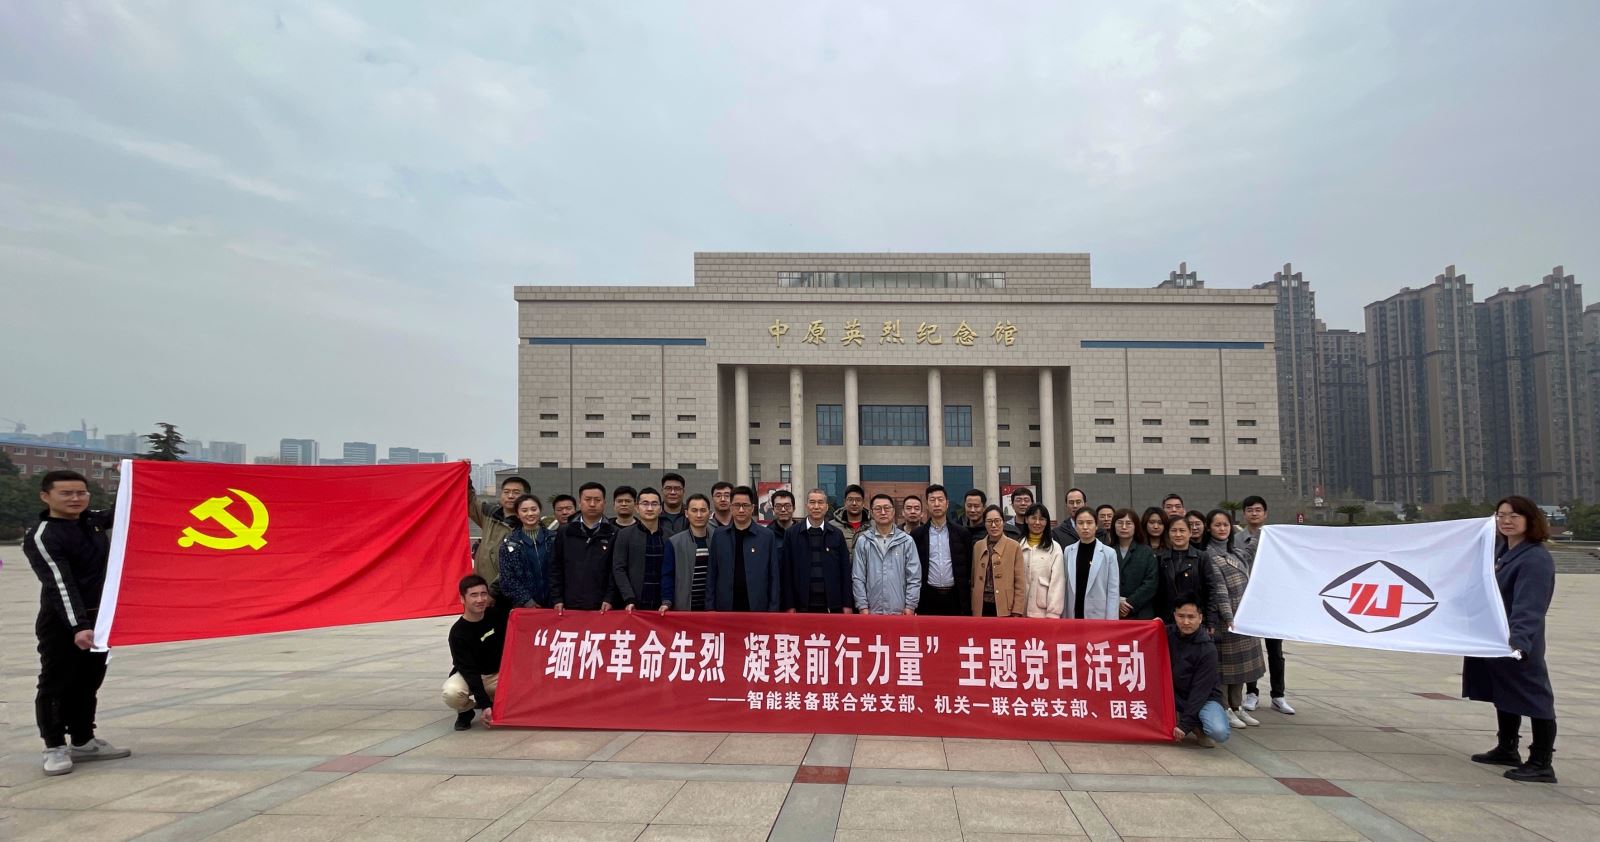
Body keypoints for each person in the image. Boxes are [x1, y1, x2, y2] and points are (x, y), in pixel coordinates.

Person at [24, 470, 131, 776]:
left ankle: (83, 740)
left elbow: (129, 508)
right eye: (66, 493)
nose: (75, 499)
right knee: (56, 683)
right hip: (63, 622)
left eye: (81, 493)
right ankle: (54, 746)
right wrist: (78, 626)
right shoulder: (43, 535)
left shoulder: (92, 521)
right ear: (46, 497)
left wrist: (132, 478)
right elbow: (61, 585)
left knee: (88, 681)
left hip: (100, 618)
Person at [1464, 495, 1559, 783]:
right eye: (1501, 515)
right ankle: (1507, 748)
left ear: (1530, 520)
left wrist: (1519, 642)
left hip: (1518, 640)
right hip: (1494, 637)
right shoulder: (1501, 552)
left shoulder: (1535, 558)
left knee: (1535, 697)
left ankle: (1541, 761)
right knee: (1504, 691)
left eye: (1514, 516)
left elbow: (1529, 606)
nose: (1506, 521)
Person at [1200, 510, 1261, 728]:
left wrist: (1264, 532)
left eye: (1225, 525)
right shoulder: (1209, 554)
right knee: (1225, 670)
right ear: (1209, 528)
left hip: (1243, 617)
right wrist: (1228, 617)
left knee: (1241, 669)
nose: (1222, 529)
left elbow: (1252, 551)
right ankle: (1225, 708)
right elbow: (1219, 590)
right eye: (1217, 525)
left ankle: (1237, 706)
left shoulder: (1236, 552)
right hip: (1226, 621)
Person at [1237, 495, 1292, 715]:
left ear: (1265, 513)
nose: (1254, 513)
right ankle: (1252, 693)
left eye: (1258, 510)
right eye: (1250, 510)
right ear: (1244, 514)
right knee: (1250, 650)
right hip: (1247, 601)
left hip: (1271, 601)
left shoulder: (1276, 537)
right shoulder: (1236, 539)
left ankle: (1278, 695)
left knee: (1275, 651)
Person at [444, 575, 510, 731]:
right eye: (473, 595)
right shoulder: (457, 633)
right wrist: (484, 705)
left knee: (521, 689)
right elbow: (469, 671)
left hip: (497, 674)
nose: (480, 599)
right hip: (472, 675)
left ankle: (494, 701)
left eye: (483, 594)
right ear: (462, 599)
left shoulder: (497, 616)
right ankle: (466, 711)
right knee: (452, 693)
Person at [706, 486, 781, 611]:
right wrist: (710, 607)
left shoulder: (767, 536)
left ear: (752, 508)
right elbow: (712, 574)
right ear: (731, 507)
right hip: (725, 607)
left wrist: (773, 609)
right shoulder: (719, 535)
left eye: (745, 505)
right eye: (737, 505)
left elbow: (774, 576)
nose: (741, 510)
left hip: (757, 607)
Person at [1168, 599, 1231, 748]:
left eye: (1191, 617)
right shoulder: (1168, 633)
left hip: (1205, 698)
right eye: (1181, 616)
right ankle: (1191, 722)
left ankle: (1194, 724)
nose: (1186, 622)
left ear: (1200, 618)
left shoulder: (1207, 649)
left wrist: (1184, 725)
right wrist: (1153, 625)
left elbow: (1200, 691)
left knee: (1219, 732)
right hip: (1175, 696)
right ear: (1174, 615)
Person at [549, 482, 618, 613]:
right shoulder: (565, 531)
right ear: (580, 503)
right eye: (587, 499)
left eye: (597, 500)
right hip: (569, 603)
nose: (592, 504)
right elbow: (555, 567)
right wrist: (557, 598)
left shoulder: (614, 533)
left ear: (604, 503)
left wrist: (610, 598)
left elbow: (615, 570)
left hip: (603, 605)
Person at [781, 489, 853, 613]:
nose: (816, 507)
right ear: (806, 506)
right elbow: (786, 572)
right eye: (812, 502)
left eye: (820, 502)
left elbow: (845, 571)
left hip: (832, 605)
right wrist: (789, 605)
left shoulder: (836, 534)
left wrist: (847, 604)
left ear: (826, 507)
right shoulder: (792, 534)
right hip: (801, 606)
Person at [852, 493, 920, 615]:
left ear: (893, 512)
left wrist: (910, 606)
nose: (883, 512)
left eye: (887, 508)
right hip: (871, 611)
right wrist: (862, 606)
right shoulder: (864, 541)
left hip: (900, 612)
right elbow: (858, 577)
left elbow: (914, 577)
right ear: (872, 513)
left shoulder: (906, 541)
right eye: (878, 509)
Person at [911, 484, 972, 616]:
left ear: (947, 504)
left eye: (940, 500)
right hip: (928, 596)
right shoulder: (917, 535)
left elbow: (969, 565)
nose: (937, 504)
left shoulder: (962, 533)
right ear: (927, 505)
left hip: (955, 597)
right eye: (932, 500)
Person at [1155, 515, 1225, 628]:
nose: (1178, 534)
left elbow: (1211, 590)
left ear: (1190, 532)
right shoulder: (1161, 559)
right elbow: (1158, 594)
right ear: (1168, 533)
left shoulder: (1202, 557)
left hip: (1196, 619)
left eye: (1182, 530)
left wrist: (1211, 621)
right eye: (1174, 530)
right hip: (1169, 620)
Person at [612, 488, 670, 613]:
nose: (649, 508)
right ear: (637, 508)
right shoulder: (624, 535)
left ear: (660, 509)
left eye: (654, 504)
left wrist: (668, 600)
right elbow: (619, 568)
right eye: (645, 504)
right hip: (633, 603)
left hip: (663, 605)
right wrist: (629, 598)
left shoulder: (670, 536)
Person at [468, 474, 527, 589]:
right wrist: (466, 477)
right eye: (506, 492)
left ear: (526, 497)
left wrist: (494, 592)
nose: (510, 496)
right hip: (480, 588)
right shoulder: (489, 513)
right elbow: (469, 501)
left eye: (516, 492)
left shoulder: (527, 527)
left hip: (506, 592)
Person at [1064, 507, 1121, 620]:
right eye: (1080, 523)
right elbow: (1066, 587)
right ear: (1075, 526)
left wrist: (1112, 620)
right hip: (1073, 613)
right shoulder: (1068, 551)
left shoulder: (1109, 553)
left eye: (1089, 523)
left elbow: (1113, 590)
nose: (1085, 527)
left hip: (1098, 614)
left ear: (1096, 526)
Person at [499, 494, 555, 608]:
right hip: (524, 606)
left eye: (533, 509)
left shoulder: (554, 538)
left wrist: (558, 598)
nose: (530, 514)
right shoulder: (509, 544)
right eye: (524, 510)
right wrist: (527, 601)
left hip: (555, 604)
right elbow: (507, 578)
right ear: (518, 514)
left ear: (539, 510)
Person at [971, 504, 1026, 617]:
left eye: (997, 521)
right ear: (984, 523)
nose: (993, 525)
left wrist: (1017, 610)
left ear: (1003, 522)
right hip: (981, 605)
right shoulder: (978, 546)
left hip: (1004, 605)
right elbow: (973, 579)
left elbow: (1020, 582)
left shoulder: (1014, 546)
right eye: (989, 521)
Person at [662, 494, 714, 611]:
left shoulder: (718, 539)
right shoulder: (674, 542)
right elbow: (668, 575)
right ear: (686, 513)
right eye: (694, 510)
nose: (699, 515)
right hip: (684, 608)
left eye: (703, 510)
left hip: (712, 608)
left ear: (710, 513)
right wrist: (667, 601)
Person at [1018, 504, 1065, 618]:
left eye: (1042, 519)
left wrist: (1053, 613)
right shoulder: (1017, 545)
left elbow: (1058, 583)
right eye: (1033, 518)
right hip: (1019, 611)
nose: (1037, 522)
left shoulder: (1054, 548)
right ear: (1026, 519)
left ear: (1047, 522)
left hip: (1043, 612)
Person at [1111, 508, 1159, 620]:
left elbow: (1151, 583)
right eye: (1120, 523)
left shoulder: (1146, 552)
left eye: (1128, 523)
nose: (1124, 527)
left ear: (1136, 526)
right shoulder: (1106, 551)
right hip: (1114, 611)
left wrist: (1129, 603)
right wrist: (1117, 601)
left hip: (1141, 613)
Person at [831, 484, 869, 554]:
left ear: (863, 503)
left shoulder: (873, 526)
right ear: (845, 502)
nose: (854, 503)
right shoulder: (831, 526)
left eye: (858, 500)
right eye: (850, 499)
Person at [768, 489, 798, 559]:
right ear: (773, 509)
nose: (783, 510)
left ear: (794, 508)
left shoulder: (802, 533)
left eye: (787, 506)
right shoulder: (767, 535)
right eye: (778, 506)